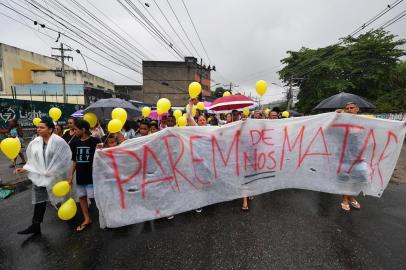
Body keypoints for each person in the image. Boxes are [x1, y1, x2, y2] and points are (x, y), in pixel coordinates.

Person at [15, 116, 72, 235]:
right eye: (38, 127)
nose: (38, 129)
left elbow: (65, 158)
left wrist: (55, 170)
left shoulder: (58, 142)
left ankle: (69, 217)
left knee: (60, 198)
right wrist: (25, 168)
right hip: (40, 177)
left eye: (42, 127)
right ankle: (35, 226)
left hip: (55, 176)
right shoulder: (35, 142)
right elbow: (33, 159)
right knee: (39, 201)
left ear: (50, 129)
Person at [68, 119, 102, 232]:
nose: (74, 131)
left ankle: (104, 216)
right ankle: (87, 219)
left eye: (76, 129)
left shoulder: (95, 141)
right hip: (80, 176)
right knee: (82, 197)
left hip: (93, 176)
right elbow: (74, 160)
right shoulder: (75, 142)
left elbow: (102, 156)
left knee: (96, 198)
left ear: (83, 129)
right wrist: (70, 176)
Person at [337, 102, 362, 211]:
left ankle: (351, 196)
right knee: (345, 177)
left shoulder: (365, 121)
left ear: (357, 109)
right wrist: (336, 114)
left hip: (358, 154)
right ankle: (345, 199)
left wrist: (400, 125)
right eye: (347, 108)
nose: (349, 109)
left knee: (355, 177)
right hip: (344, 154)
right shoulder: (342, 119)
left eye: (352, 108)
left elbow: (381, 125)